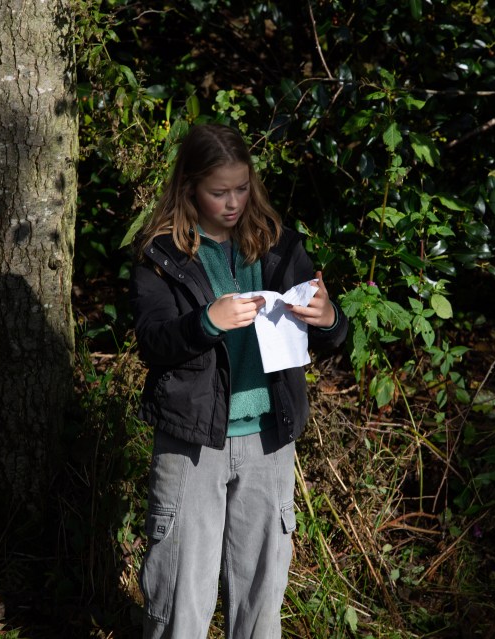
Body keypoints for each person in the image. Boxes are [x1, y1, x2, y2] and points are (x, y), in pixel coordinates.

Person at [130, 122, 348, 639]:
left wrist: (329, 318)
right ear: (189, 188)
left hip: (270, 439)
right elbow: (153, 344)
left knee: (261, 597)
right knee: (182, 594)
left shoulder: (278, 246)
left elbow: (335, 339)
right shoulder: (161, 256)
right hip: (193, 441)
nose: (233, 203)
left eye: (242, 188)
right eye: (219, 192)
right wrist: (207, 322)